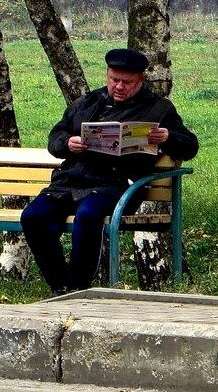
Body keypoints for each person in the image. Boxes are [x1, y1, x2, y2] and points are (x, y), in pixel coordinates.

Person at [20, 47, 198, 295]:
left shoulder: (158, 109)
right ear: (107, 75)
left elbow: (190, 146)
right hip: (68, 182)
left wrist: (167, 137)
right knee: (33, 217)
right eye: (114, 80)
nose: (119, 87)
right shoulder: (87, 102)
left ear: (141, 81)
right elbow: (55, 138)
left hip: (115, 184)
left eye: (127, 82)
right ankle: (59, 285)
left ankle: (78, 286)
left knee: (89, 215)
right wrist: (68, 143)